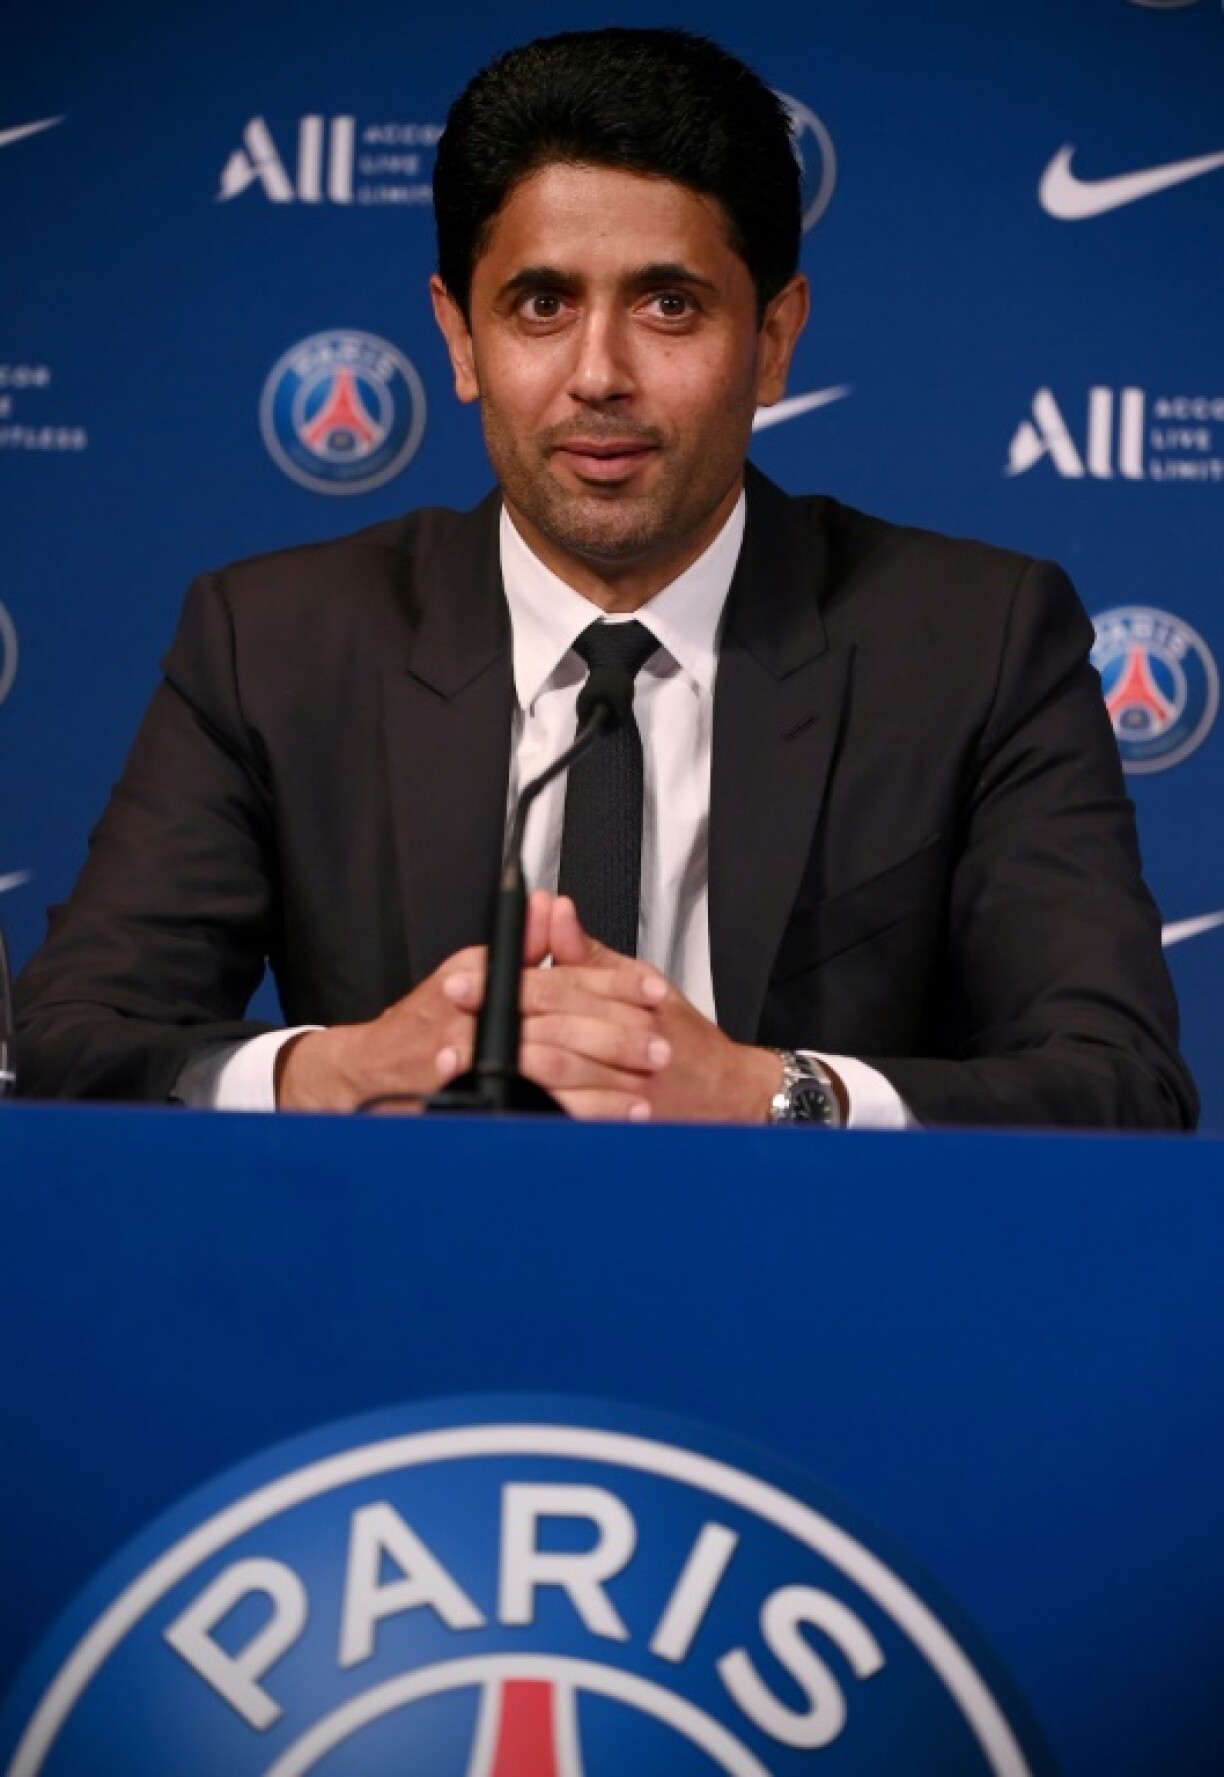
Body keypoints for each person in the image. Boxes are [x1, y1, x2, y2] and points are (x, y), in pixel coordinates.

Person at [13, 27, 1196, 1129]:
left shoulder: (978, 642)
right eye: (541, 305)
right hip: (402, 1305)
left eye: (668, 305)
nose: (600, 375)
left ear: (774, 340)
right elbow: (69, 1041)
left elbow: (1120, 1082)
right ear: (459, 341)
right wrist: (345, 1067)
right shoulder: (273, 642)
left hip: (819, 1302)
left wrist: (769, 1092)